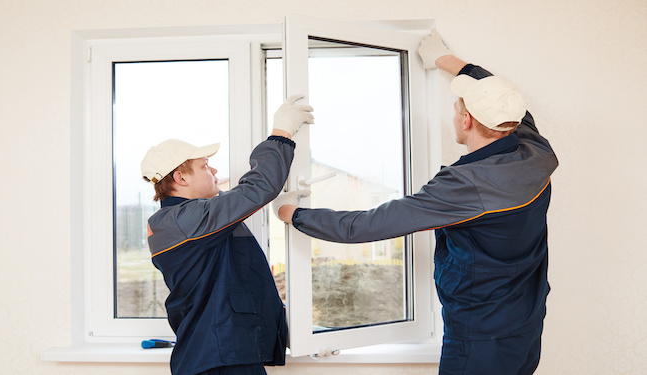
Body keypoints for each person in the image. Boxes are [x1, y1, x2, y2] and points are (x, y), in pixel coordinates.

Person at [273, 30, 558, 375]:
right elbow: (505, 96)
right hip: (526, 323)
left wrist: (294, 214)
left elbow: (367, 225)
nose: (454, 115)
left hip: (480, 336)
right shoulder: (535, 151)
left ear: (466, 120)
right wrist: (446, 60)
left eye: (457, 109)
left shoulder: (465, 186)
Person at [141, 95, 314, 375]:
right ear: (181, 178)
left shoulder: (181, 220)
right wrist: (281, 133)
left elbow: (238, 275)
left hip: (219, 355)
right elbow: (254, 191)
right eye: (205, 165)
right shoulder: (186, 219)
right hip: (219, 360)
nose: (215, 171)